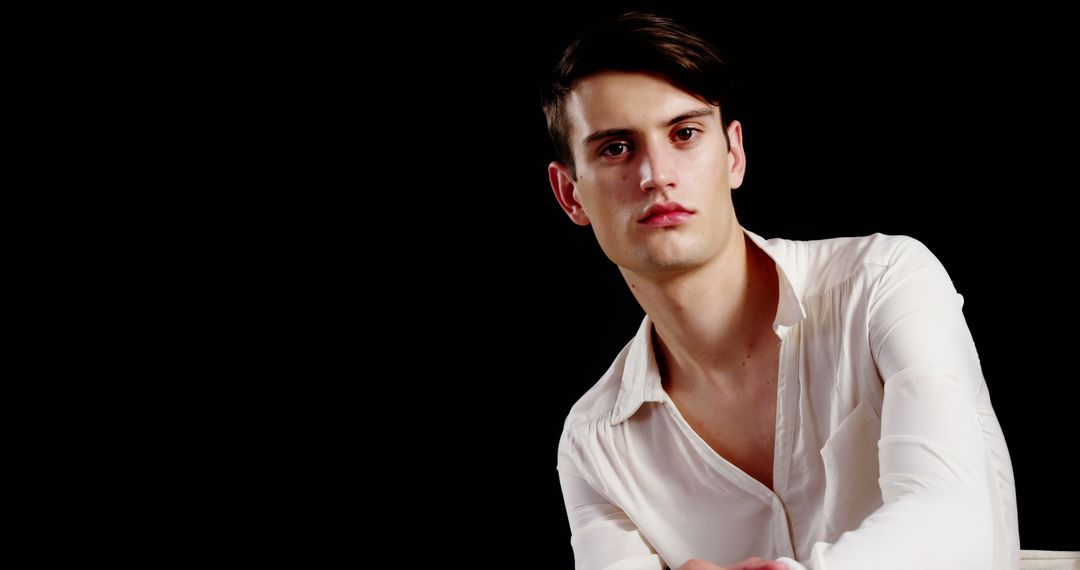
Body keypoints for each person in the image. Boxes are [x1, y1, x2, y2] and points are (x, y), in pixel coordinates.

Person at [542, 12, 1019, 570]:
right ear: (570, 195)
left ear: (733, 154)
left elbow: (954, 523)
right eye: (617, 148)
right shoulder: (593, 444)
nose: (656, 174)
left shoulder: (885, 282)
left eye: (685, 133)